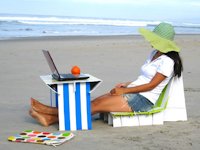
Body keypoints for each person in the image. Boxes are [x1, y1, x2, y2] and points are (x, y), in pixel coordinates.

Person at [29, 22, 183, 127]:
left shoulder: (167, 61)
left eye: (154, 38)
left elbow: (152, 85)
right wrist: (127, 84)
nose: (151, 40)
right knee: (95, 102)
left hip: (142, 100)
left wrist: (125, 91)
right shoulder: (154, 53)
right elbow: (146, 78)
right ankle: (49, 119)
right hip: (134, 91)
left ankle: (49, 111)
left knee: (94, 106)